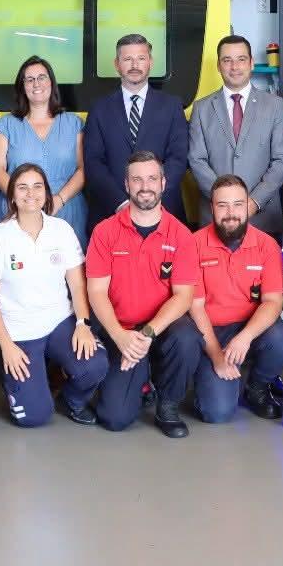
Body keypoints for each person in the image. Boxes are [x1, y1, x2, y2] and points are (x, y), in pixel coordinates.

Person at [0, 164, 107, 428]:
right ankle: (27, 386)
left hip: (59, 321)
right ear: (12, 195)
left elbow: (77, 283)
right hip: (19, 331)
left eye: (38, 187)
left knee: (95, 365)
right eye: (22, 187)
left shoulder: (61, 229)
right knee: (34, 417)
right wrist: (7, 346)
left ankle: (72, 400)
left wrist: (83, 323)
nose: (30, 194)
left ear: (46, 193)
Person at [84, 151, 203, 437]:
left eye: (152, 179)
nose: (145, 186)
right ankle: (143, 382)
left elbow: (184, 296)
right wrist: (122, 338)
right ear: (126, 185)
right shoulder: (105, 232)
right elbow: (96, 292)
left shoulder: (181, 235)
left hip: (161, 329)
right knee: (114, 419)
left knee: (188, 338)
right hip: (120, 330)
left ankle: (168, 405)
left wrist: (147, 335)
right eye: (137, 179)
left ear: (163, 183)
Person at [188, 174, 283, 423]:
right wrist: (217, 356)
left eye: (238, 204)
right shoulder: (193, 244)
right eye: (222, 205)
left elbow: (272, 301)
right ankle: (213, 374)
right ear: (211, 208)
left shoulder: (266, 245)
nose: (231, 213)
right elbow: (195, 308)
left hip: (250, 330)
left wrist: (245, 338)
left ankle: (257, 387)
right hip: (210, 333)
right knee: (216, 413)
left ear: (248, 205)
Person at [187, 35, 283, 237]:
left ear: (251, 63)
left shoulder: (274, 105)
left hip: (263, 216)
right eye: (227, 60)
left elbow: (281, 161)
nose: (234, 66)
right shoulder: (201, 108)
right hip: (215, 217)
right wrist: (224, 202)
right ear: (218, 65)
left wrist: (253, 202)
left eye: (241, 59)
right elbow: (196, 160)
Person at [83, 34, 190, 221]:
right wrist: (121, 203)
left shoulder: (172, 106)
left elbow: (178, 158)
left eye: (141, 58)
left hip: (164, 210)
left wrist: (152, 199)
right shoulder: (99, 108)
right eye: (127, 59)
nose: (134, 65)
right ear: (117, 64)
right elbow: (93, 162)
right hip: (112, 211)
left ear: (150, 62)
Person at [0, 56, 87, 238]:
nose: (36, 84)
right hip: (18, 210)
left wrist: (58, 200)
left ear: (51, 83)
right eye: (30, 79)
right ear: (22, 86)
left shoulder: (74, 124)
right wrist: (25, 199)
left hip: (65, 209)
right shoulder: (6, 125)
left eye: (42, 77)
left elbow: (83, 170)